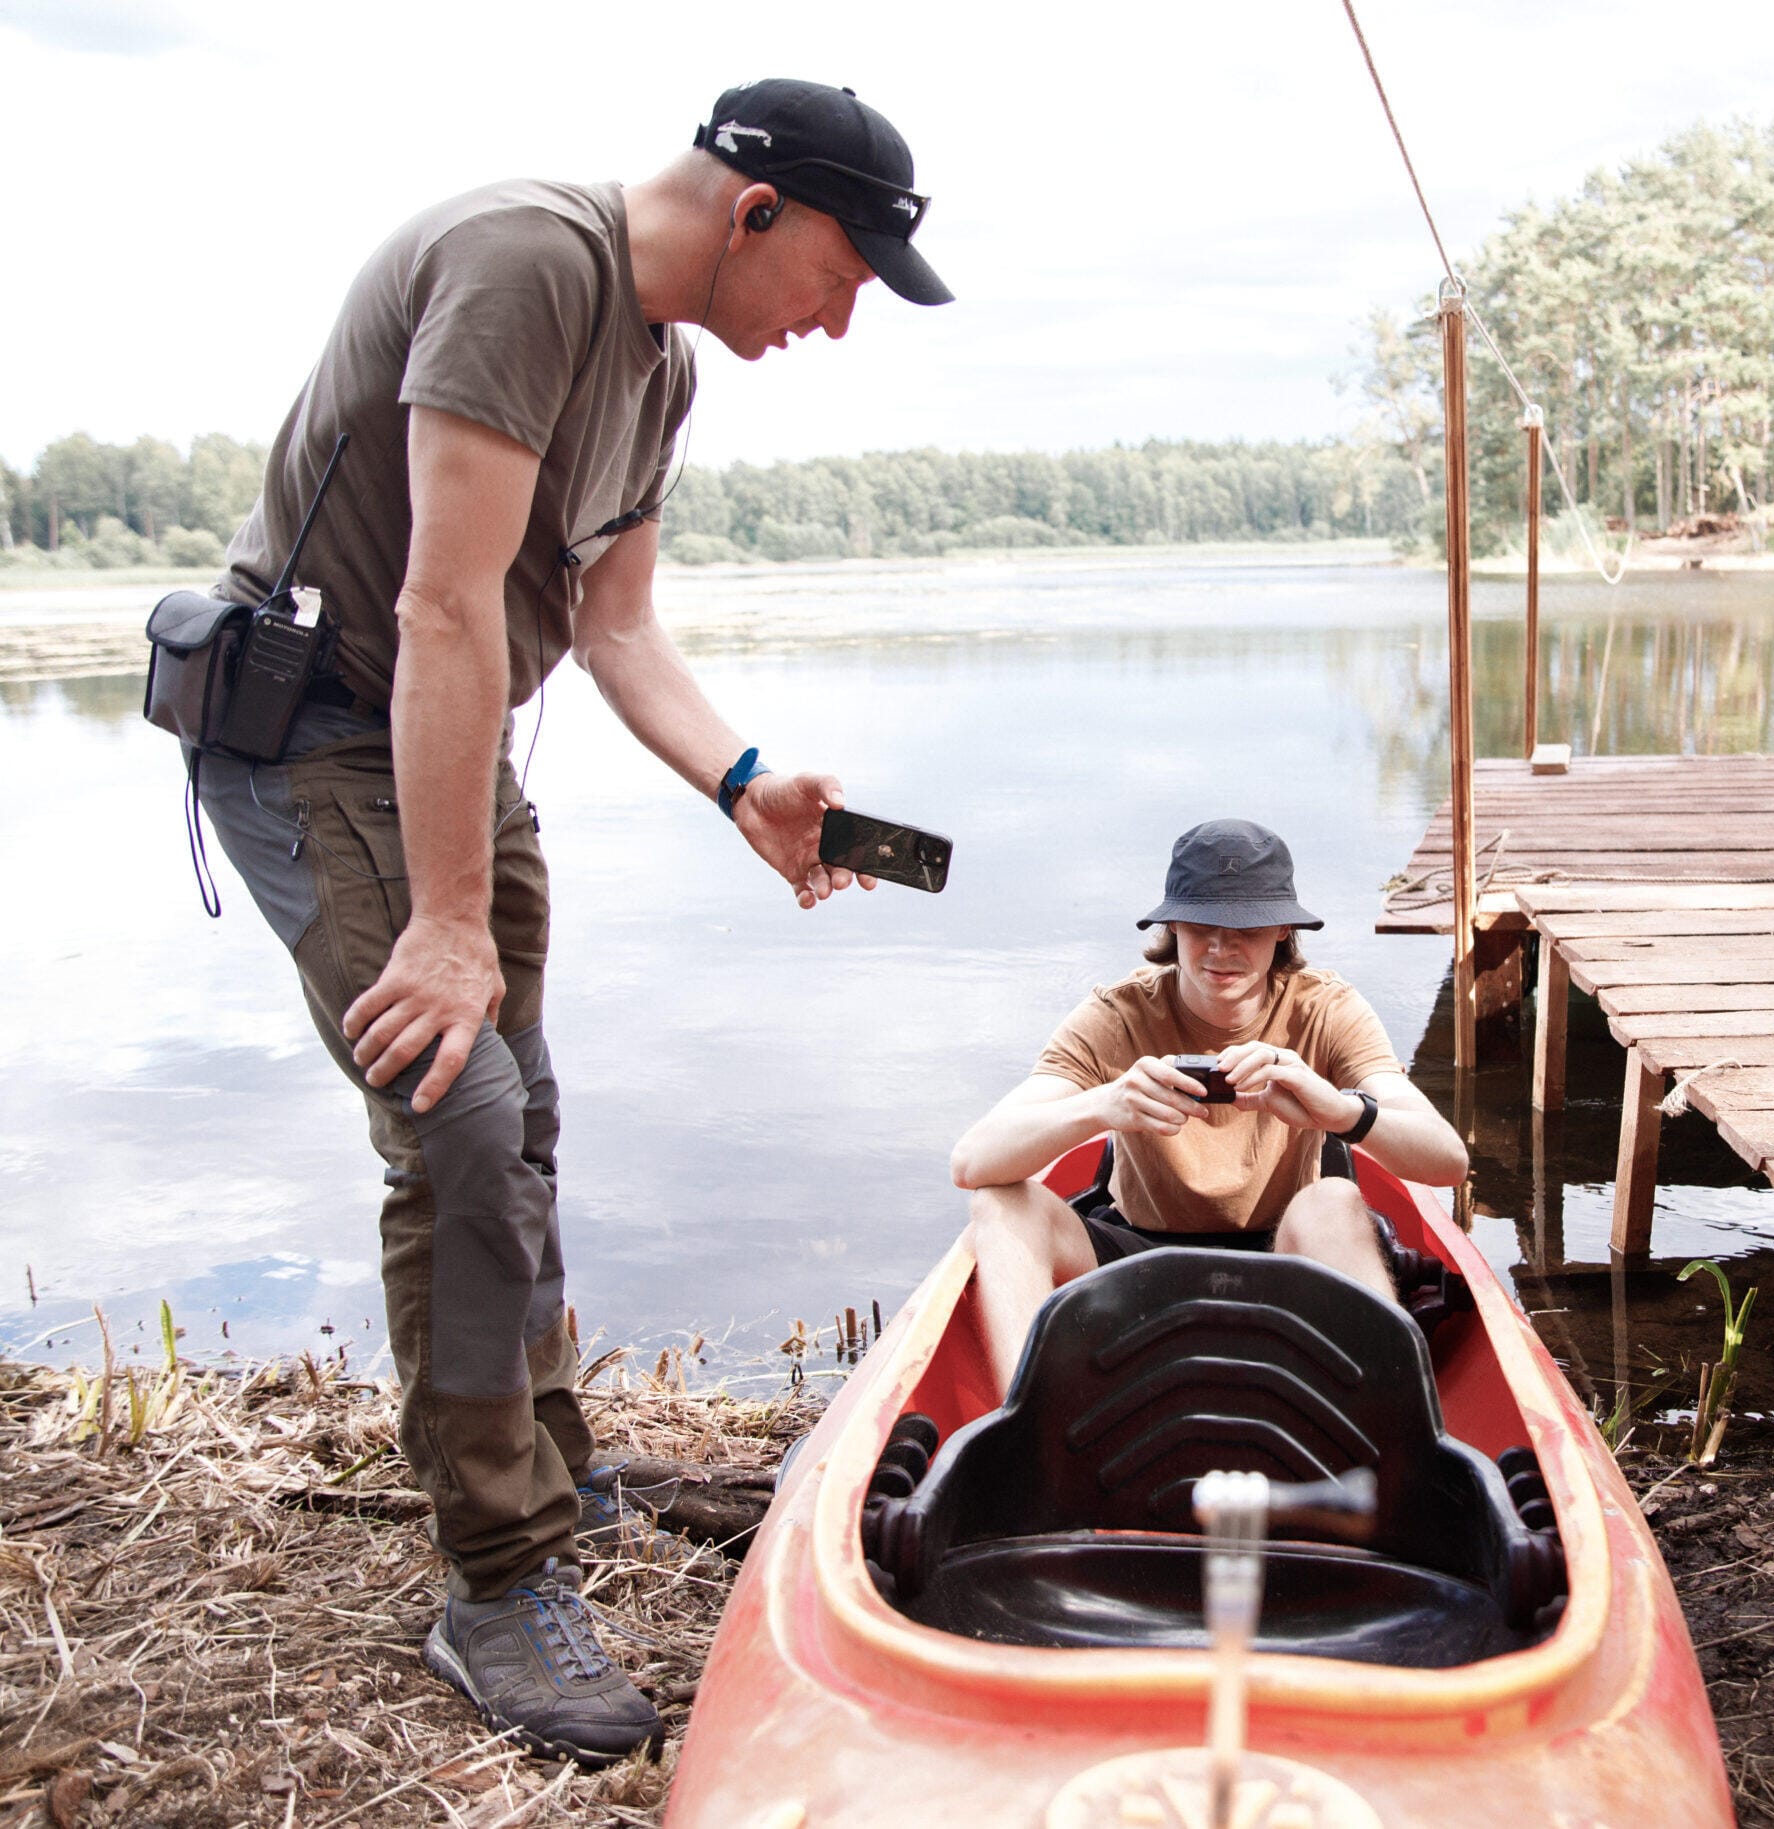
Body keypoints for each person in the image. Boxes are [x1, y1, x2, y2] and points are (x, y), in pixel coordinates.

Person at [177, 80, 953, 1764]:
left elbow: (612, 627)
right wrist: (445, 921)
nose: (837, 320)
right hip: (318, 727)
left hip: (442, 731)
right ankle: (496, 1570)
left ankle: (546, 1445)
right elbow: (441, 597)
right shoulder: (533, 261)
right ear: (756, 207)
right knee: (457, 1103)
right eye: (841, 273)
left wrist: (744, 777)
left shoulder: (661, 365)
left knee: (525, 1104)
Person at [951, 820, 1469, 1389]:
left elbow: (1448, 1162)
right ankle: (1029, 1424)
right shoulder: (1117, 1015)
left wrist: (1339, 1111)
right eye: (1201, 926)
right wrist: (1104, 1106)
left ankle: (1389, 1421)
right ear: (1172, 925)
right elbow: (973, 1163)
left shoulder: (1327, 1010)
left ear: (1282, 930)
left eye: (1244, 928)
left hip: (1286, 1254)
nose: (1221, 948)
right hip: (1136, 1257)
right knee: (1002, 1206)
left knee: (1335, 1198)